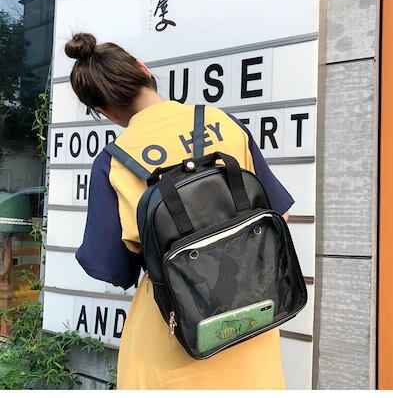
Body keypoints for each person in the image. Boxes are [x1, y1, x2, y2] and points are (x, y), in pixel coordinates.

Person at [65, 33, 295, 390]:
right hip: (251, 321)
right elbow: (279, 215)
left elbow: (112, 267)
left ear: (105, 111)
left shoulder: (113, 162)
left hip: (174, 336)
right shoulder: (223, 122)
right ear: (143, 69)